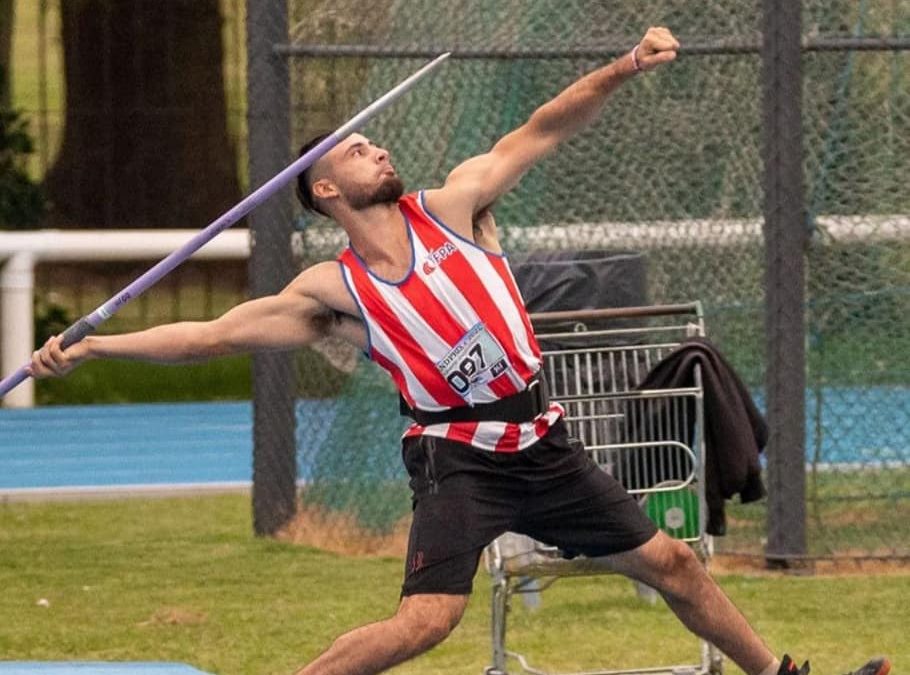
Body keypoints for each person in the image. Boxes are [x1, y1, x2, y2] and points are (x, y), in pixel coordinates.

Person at [29, 27, 889, 675]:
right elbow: (210, 334)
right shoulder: (335, 293)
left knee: (670, 561)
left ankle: (781, 674)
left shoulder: (454, 205)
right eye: (359, 149)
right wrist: (97, 344)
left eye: (375, 140)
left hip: (541, 442)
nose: (379, 147)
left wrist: (622, 68)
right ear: (326, 191)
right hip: (456, 459)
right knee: (425, 623)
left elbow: (544, 128)